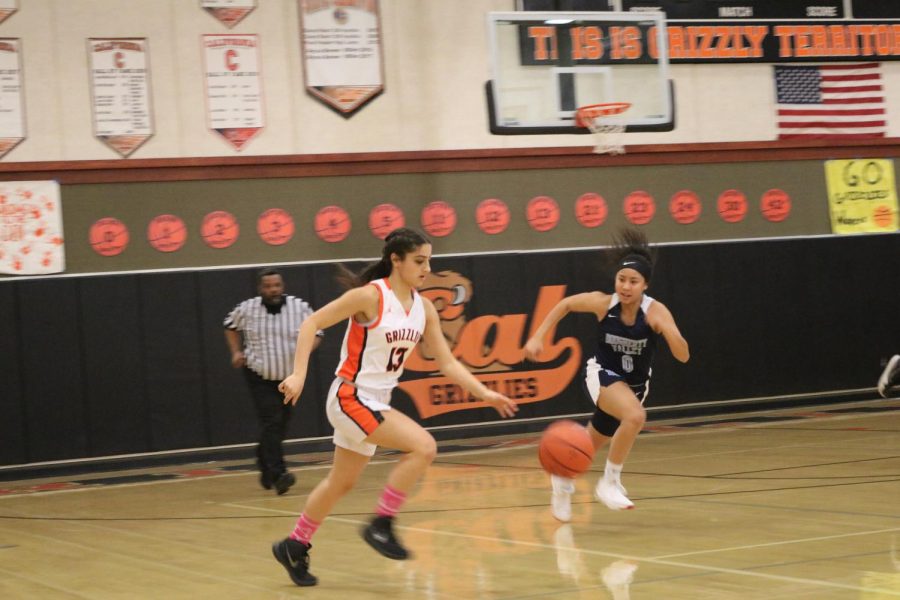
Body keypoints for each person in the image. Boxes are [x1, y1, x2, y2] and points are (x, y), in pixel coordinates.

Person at [271, 228, 518, 587]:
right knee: (424, 445)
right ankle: (382, 523)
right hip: (350, 396)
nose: (426, 267)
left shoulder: (423, 309)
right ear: (396, 261)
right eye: (419, 261)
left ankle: (294, 544)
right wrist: (298, 375)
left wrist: (486, 393)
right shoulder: (369, 297)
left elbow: (447, 363)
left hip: (374, 401)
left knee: (341, 482)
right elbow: (311, 323)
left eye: (429, 260)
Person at [525, 228, 689, 520]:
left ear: (645, 285)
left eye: (633, 281)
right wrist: (538, 336)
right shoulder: (604, 303)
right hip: (602, 373)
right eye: (621, 279)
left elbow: (683, 355)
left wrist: (669, 332)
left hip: (635, 385)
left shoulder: (656, 312)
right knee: (635, 417)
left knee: (587, 444)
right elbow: (565, 305)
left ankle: (562, 479)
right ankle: (609, 482)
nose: (625, 286)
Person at [224, 268, 323, 495]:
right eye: (268, 286)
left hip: (290, 378)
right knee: (273, 421)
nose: (273, 290)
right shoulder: (247, 308)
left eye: (276, 285)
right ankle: (279, 474)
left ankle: (263, 461)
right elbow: (229, 325)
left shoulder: (300, 307)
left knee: (280, 425)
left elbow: (318, 333)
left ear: (282, 285)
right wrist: (235, 352)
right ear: (261, 289)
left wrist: (305, 351)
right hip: (259, 375)